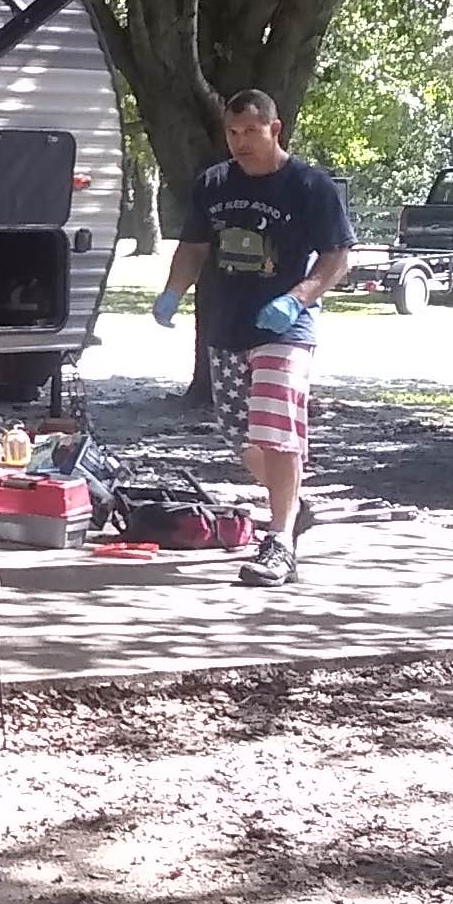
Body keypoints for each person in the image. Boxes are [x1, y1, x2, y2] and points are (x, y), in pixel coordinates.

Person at [152, 90, 354, 587]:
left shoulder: (309, 185)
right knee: (239, 434)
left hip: (286, 328)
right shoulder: (213, 183)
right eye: (232, 132)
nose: (240, 142)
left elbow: (337, 258)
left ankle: (280, 541)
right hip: (226, 325)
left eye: (250, 131)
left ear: (274, 129)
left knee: (276, 430)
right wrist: (173, 292)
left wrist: (299, 297)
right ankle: (293, 504)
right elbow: (194, 247)